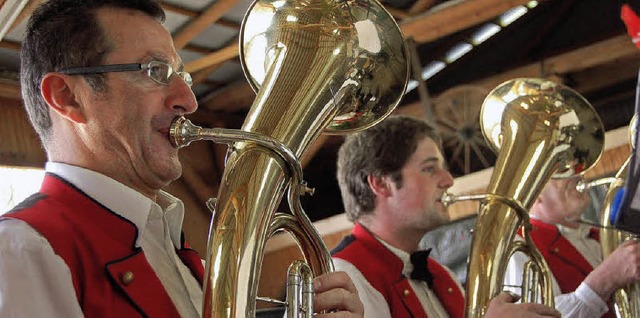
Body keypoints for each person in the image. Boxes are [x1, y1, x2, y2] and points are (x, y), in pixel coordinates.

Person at [0, 0, 363, 317]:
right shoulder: (20, 250)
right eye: (155, 71)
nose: (189, 101)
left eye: (182, 75)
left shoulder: (181, 255)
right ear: (68, 97)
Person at [331, 115, 560, 317]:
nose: (448, 181)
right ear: (381, 184)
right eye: (429, 169)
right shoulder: (345, 274)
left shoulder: (442, 275)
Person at [504, 176, 640, 317]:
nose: (577, 174)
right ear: (535, 193)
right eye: (562, 172)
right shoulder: (522, 245)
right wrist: (606, 278)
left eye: (577, 166)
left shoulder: (599, 236)